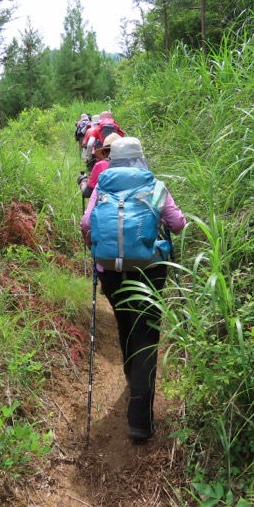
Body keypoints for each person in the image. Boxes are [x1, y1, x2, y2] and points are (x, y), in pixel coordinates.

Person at [80, 137, 186, 441]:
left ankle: (130, 374)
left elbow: (87, 225)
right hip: (149, 271)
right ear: (141, 158)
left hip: (111, 271)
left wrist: (96, 246)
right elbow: (177, 225)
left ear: (113, 160)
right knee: (147, 332)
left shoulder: (102, 187)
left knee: (125, 323)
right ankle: (140, 419)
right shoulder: (156, 186)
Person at [77, 133, 121, 198]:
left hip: (108, 204)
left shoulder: (101, 165)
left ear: (105, 152)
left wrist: (83, 181)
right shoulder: (134, 165)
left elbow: (88, 193)